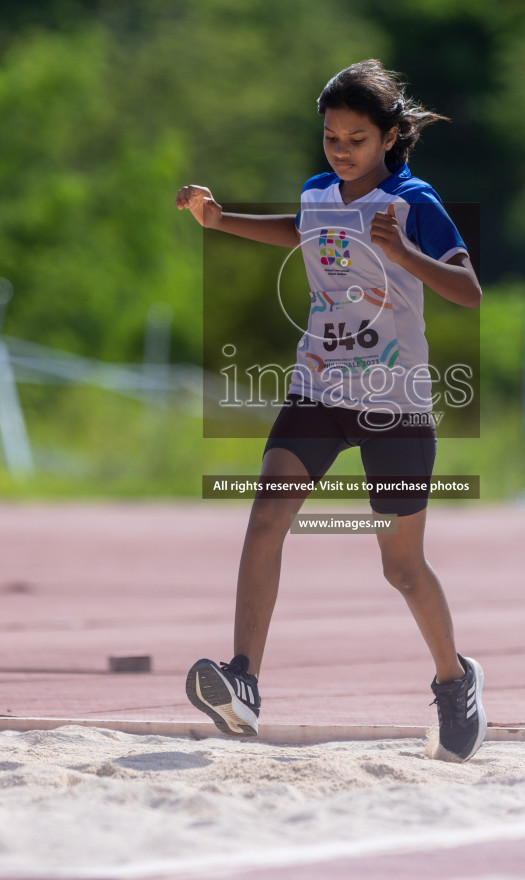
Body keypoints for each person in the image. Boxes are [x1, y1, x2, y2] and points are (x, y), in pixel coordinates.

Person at [176, 59, 485, 762]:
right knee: (267, 513)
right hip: (317, 387)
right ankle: (244, 679)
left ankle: (453, 678)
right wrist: (220, 220)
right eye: (330, 137)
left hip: (393, 404)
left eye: (354, 139)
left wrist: (404, 252)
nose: (339, 151)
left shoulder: (415, 202)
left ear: (388, 138)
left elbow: (467, 291)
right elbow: (303, 229)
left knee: (401, 568)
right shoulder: (320, 192)